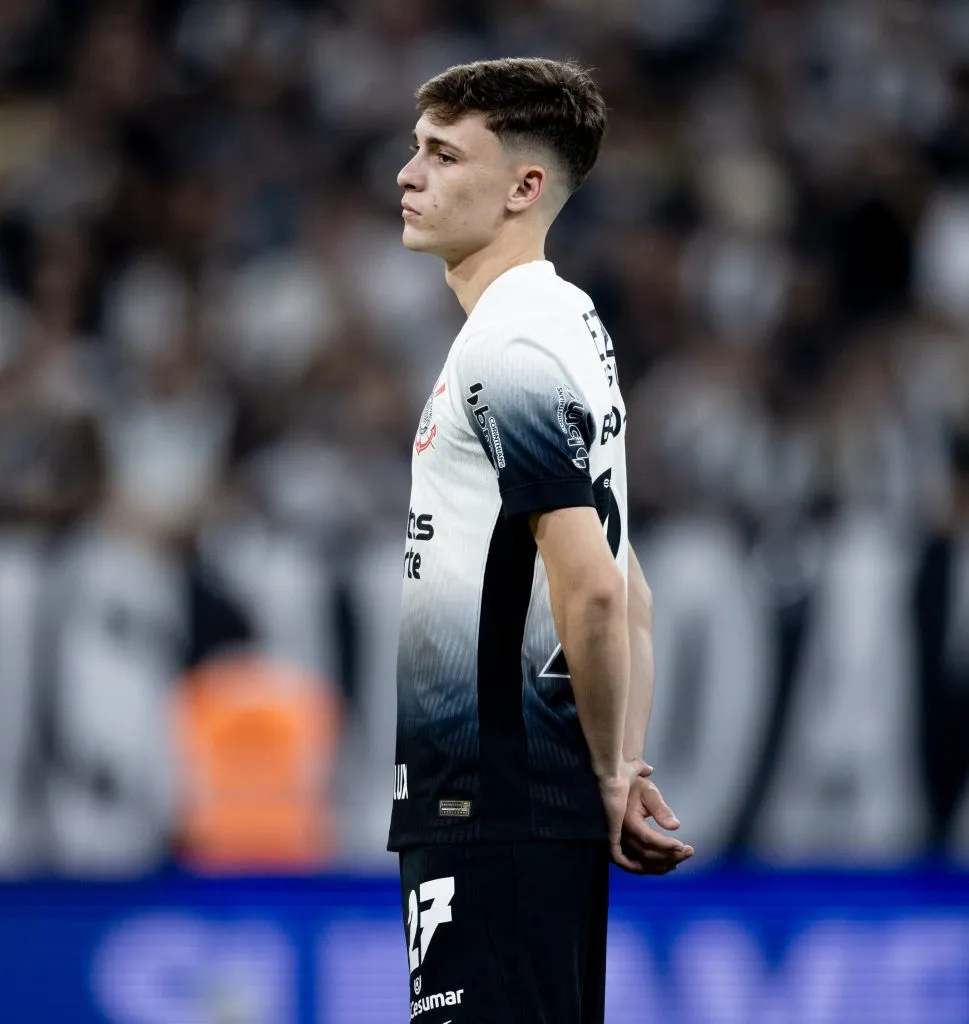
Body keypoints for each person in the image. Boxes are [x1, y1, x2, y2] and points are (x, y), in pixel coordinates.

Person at [388, 57, 694, 1023]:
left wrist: (606, 771)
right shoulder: (570, 327)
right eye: (415, 150)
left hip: (495, 801)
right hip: (520, 802)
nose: (409, 175)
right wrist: (619, 760)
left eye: (442, 155)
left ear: (524, 187)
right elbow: (629, 588)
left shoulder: (510, 344)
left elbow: (595, 590)